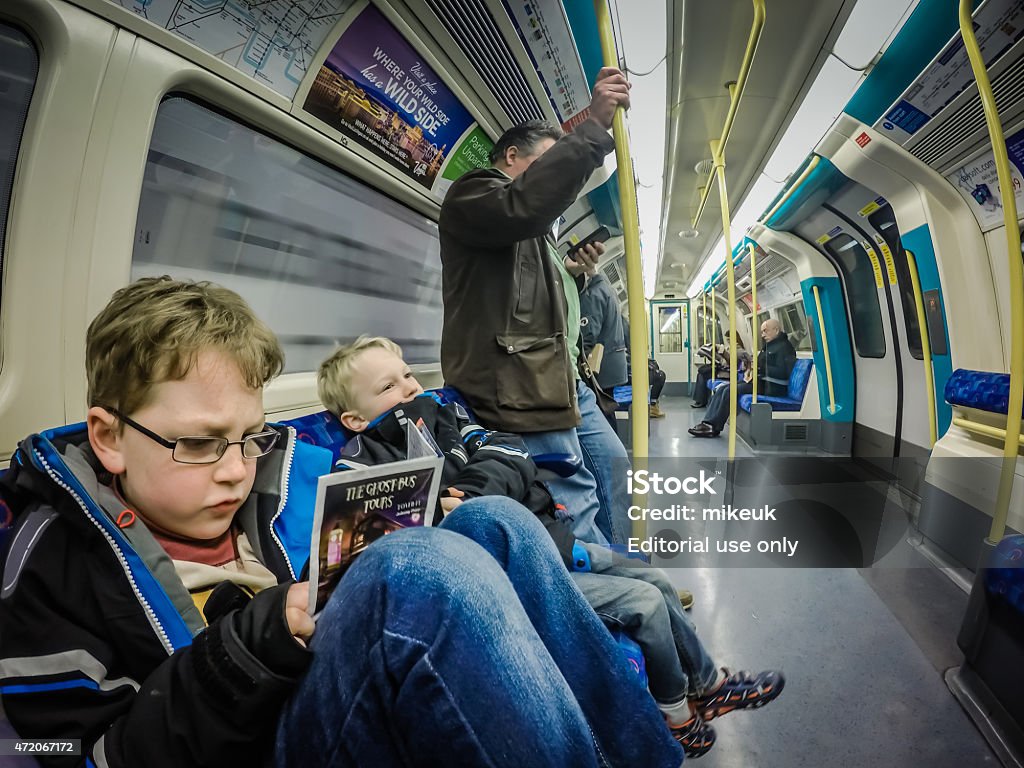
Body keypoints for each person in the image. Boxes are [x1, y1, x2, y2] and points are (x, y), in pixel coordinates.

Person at [0, 277, 686, 768]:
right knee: (413, 570)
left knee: (495, 520)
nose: (237, 470)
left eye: (249, 435)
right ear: (110, 437)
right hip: (250, 737)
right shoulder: (50, 563)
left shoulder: (288, 475)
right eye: (200, 444)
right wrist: (251, 646)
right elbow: (74, 752)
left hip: (327, 687)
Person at [319, 336, 787, 758]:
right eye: (389, 387)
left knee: (656, 579)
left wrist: (473, 492)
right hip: (511, 576)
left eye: (408, 375)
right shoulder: (362, 467)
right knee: (644, 601)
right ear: (355, 419)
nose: (409, 389)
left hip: (550, 542)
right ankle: (675, 713)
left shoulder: (451, 419)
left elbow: (510, 453)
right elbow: (365, 552)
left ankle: (709, 685)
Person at [438, 67, 632, 548]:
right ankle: (606, 602)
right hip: (522, 385)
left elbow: (542, 302)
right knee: (574, 497)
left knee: (613, 468)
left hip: (562, 380)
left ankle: (628, 572)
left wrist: (576, 274)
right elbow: (520, 208)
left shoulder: (538, 232)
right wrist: (590, 131)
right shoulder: (474, 194)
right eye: (547, 162)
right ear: (511, 157)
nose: (556, 177)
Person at [689, 318, 796, 438]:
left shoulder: (785, 348)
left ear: (776, 330)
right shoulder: (769, 346)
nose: (762, 335)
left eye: (765, 331)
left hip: (772, 386)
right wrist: (751, 371)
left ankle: (713, 426)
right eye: (761, 332)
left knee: (730, 391)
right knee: (723, 388)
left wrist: (760, 369)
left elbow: (783, 372)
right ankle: (707, 423)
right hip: (760, 381)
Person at [578, 271, 628, 432]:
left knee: (601, 410)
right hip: (614, 364)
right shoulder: (608, 289)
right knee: (606, 408)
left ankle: (609, 453)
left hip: (601, 366)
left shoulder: (593, 294)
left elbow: (588, 334)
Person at [622, 315, 668, 419]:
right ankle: (652, 405)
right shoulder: (621, 324)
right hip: (623, 368)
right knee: (659, 376)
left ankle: (653, 403)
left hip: (626, 363)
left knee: (653, 364)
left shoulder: (622, 323)